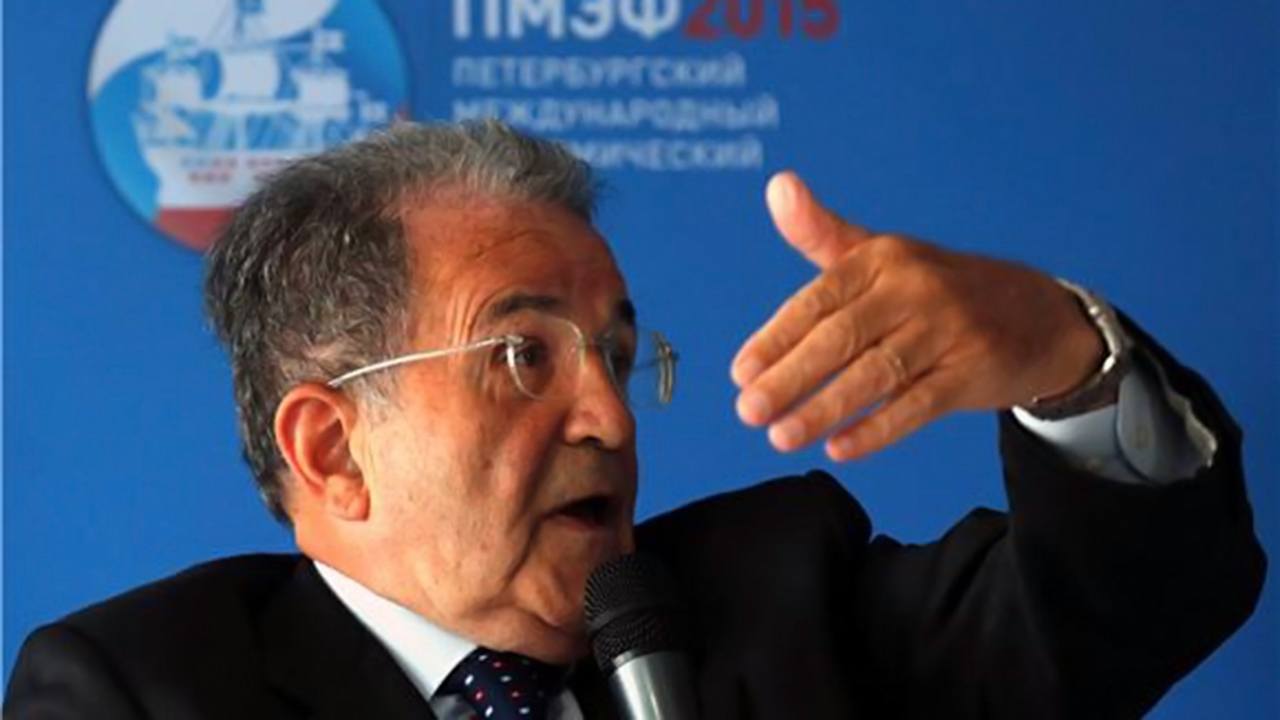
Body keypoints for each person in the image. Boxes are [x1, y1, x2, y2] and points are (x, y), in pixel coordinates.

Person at [5, 121, 1264, 719]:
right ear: (334, 450)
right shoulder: (142, 693)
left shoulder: (786, 600)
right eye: (521, 354)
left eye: (614, 354)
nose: (607, 414)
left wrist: (1056, 352)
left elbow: (1133, 601)